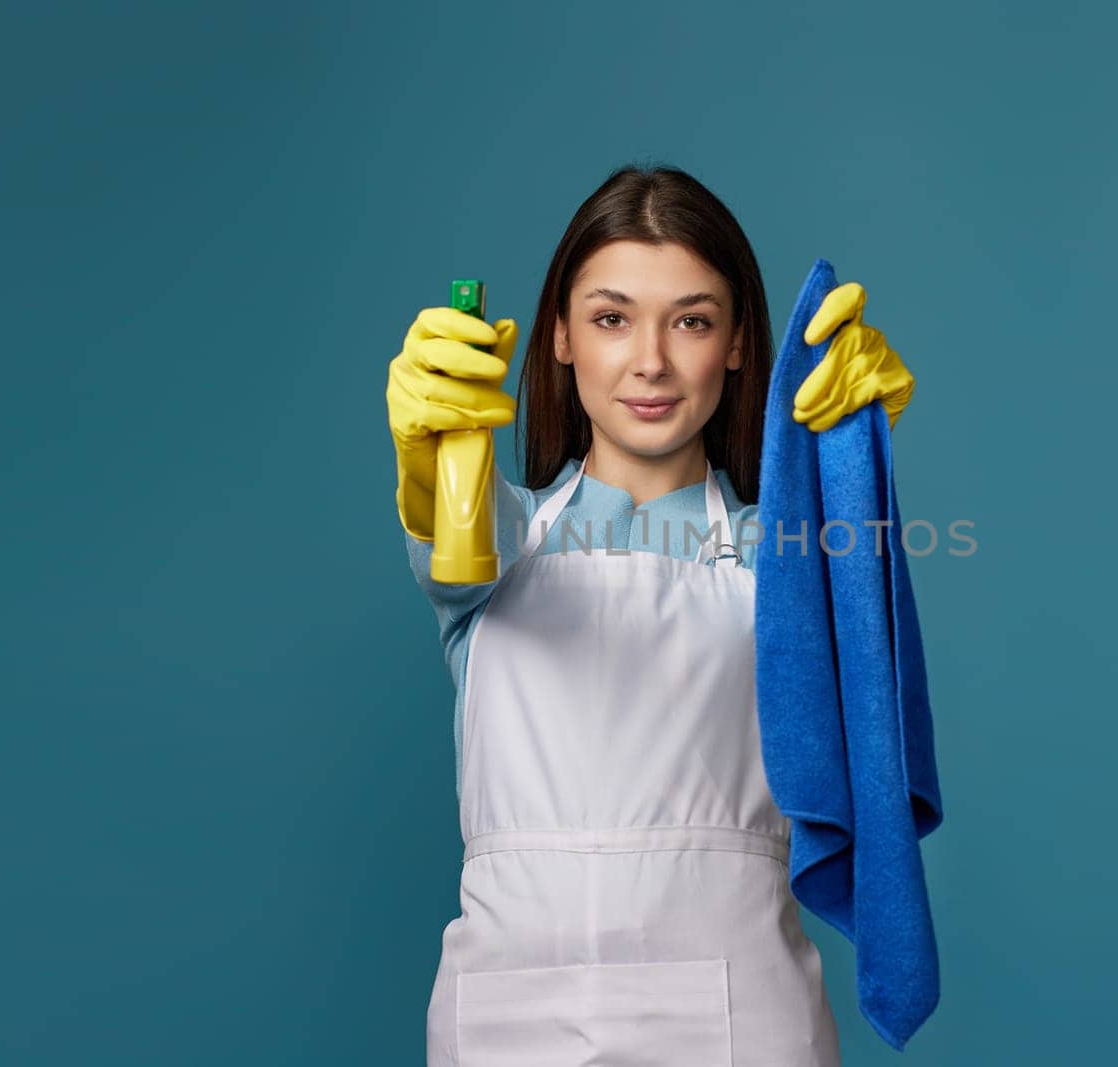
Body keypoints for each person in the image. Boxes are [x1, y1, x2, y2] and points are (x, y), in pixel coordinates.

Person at [385, 164, 914, 1066]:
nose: (652, 361)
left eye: (693, 320)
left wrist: (854, 463)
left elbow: (870, 653)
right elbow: (439, 518)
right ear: (558, 337)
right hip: (507, 1011)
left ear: (739, 344)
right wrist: (427, 453)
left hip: (736, 1010)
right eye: (611, 317)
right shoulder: (494, 535)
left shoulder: (783, 553)